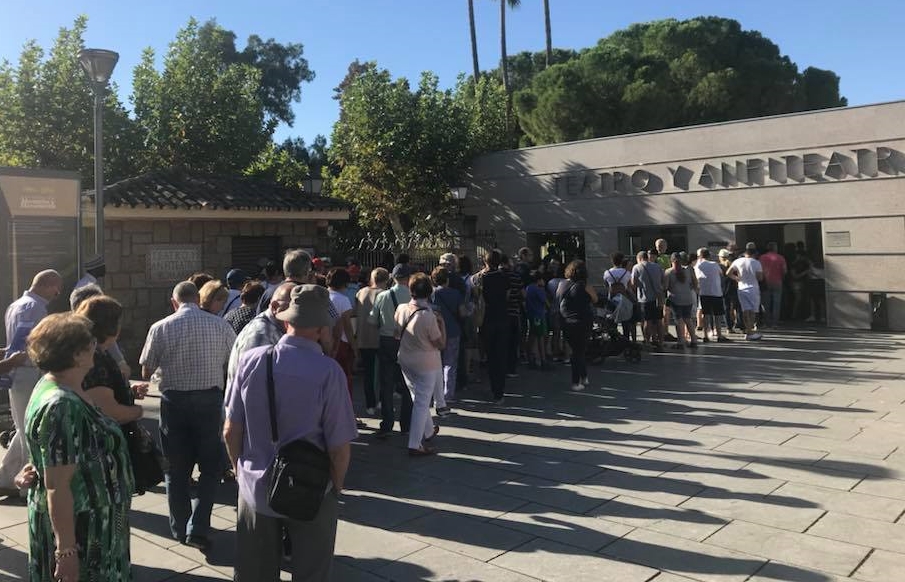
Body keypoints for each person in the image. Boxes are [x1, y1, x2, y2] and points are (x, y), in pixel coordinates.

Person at [225, 284, 357, 581]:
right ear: (323, 327)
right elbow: (339, 448)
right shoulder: (329, 372)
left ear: (286, 320)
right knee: (312, 571)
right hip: (311, 486)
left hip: (255, 486)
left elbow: (230, 428)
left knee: (254, 574)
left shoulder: (252, 360)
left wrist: (239, 469)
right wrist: (335, 487)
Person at [23, 312, 134, 581]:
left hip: (97, 522)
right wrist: (66, 552)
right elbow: (57, 486)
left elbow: (49, 453)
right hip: (85, 529)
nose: (95, 347)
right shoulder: (61, 405)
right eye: (90, 343)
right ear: (76, 355)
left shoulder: (57, 386)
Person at [139, 281, 236, 551]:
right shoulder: (221, 325)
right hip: (210, 400)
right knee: (210, 467)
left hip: (175, 402)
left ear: (174, 301)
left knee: (176, 469)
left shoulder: (160, 327)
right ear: (198, 298)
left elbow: (146, 371)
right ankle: (199, 526)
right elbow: (233, 362)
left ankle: (179, 527)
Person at [0, 269, 62, 497]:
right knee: (31, 430)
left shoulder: (15, 305)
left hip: (16, 373)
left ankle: (6, 478)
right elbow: (33, 344)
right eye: (57, 288)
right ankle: (29, 488)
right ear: (47, 284)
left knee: (23, 427)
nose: (57, 294)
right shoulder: (35, 308)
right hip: (28, 372)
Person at [75, 296, 148, 424]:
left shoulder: (96, 351)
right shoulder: (94, 357)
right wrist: (137, 411)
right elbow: (108, 411)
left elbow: (101, 390)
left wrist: (127, 392)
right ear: (112, 326)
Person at [395, 273, 446, 455]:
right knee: (422, 402)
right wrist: (442, 324)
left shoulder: (401, 309)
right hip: (425, 362)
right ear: (429, 292)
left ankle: (429, 430)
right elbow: (440, 343)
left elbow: (396, 332)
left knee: (417, 396)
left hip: (405, 358)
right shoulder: (428, 316)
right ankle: (415, 444)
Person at [369, 264, 414, 437]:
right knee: (407, 383)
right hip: (407, 341)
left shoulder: (383, 295)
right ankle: (406, 423)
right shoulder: (413, 295)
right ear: (408, 277)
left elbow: (372, 321)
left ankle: (387, 422)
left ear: (392, 278)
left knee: (386, 383)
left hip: (386, 341)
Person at [227, 282, 295, 394]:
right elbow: (252, 393)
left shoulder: (274, 328)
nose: (296, 316)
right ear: (274, 307)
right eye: (291, 310)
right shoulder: (260, 335)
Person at [471, 250, 510, 404]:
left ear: (485, 261)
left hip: (486, 319)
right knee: (500, 355)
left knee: (490, 354)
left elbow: (475, 297)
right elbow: (507, 295)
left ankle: (494, 386)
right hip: (502, 317)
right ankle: (499, 390)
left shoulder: (480, 278)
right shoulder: (504, 276)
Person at [557, 260, 597, 391]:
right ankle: (576, 382)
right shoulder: (584, 286)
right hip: (581, 322)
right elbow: (595, 299)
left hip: (565, 321)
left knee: (577, 350)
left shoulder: (562, 284)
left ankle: (584, 376)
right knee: (579, 351)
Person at [355, 268, 387, 415]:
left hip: (363, 337)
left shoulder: (360, 292)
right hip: (379, 337)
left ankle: (370, 404)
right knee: (381, 372)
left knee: (368, 373)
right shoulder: (384, 295)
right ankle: (381, 400)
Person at [430, 266, 463, 412]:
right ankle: (448, 394)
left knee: (435, 363)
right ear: (447, 279)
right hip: (453, 330)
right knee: (450, 364)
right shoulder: (456, 294)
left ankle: (434, 394)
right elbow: (461, 312)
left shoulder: (432, 294)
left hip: (435, 331)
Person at [727, 242, 765, 341]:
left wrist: (737, 278)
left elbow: (728, 273)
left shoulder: (738, 261)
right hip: (753, 288)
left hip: (741, 287)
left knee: (745, 310)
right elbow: (760, 278)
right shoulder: (756, 262)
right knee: (753, 311)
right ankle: (750, 331)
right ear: (754, 253)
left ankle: (747, 330)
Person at [665, 253, 699, 350]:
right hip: (688, 298)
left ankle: (680, 342)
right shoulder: (688, 270)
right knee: (688, 319)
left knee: (678, 320)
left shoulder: (669, 272)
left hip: (676, 299)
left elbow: (665, 287)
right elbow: (695, 283)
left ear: (671, 261)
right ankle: (694, 340)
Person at [631, 251, 665, 348]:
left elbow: (633, 283)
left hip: (644, 298)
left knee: (647, 321)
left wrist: (641, 286)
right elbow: (663, 280)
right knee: (659, 320)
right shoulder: (657, 266)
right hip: (657, 298)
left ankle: (647, 341)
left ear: (639, 258)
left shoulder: (636, 267)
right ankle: (661, 341)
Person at [694, 248, 728, 342]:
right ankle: (719, 335)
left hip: (704, 292)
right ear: (709, 255)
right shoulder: (714, 264)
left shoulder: (698, 266)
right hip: (716, 292)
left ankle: (705, 335)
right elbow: (721, 274)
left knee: (706, 314)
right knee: (717, 315)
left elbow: (696, 277)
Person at [603, 252, 634, 340]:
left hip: (612, 299)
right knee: (625, 322)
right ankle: (626, 341)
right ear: (622, 261)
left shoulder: (607, 273)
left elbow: (605, 285)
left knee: (612, 322)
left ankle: (614, 341)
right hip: (624, 299)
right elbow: (628, 288)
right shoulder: (626, 273)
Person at [524, 270, 550, 370]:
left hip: (531, 314)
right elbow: (545, 301)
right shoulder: (538, 289)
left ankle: (530, 356)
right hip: (539, 315)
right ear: (539, 280)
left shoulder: (528, 288)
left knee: (532, 335)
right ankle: (543, 359)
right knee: (541, 337)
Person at [759, 242, 787, 328]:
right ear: (775, 248)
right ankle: (775, 323)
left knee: (765, 303)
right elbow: (784, 271)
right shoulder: (780, 258)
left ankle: (766, 322)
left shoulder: (762, 257)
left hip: (765, 282)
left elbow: (758, 269)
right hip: (777, 282)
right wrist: (782, 277)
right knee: (776, 303)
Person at [718, 248, 742, 332]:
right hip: (733, 287)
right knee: (737, 307)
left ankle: (729, 327)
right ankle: (741, 325)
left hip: (723, 289)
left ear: (721, 257)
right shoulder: (732, 265)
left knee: (726, 309)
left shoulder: (719, 266)